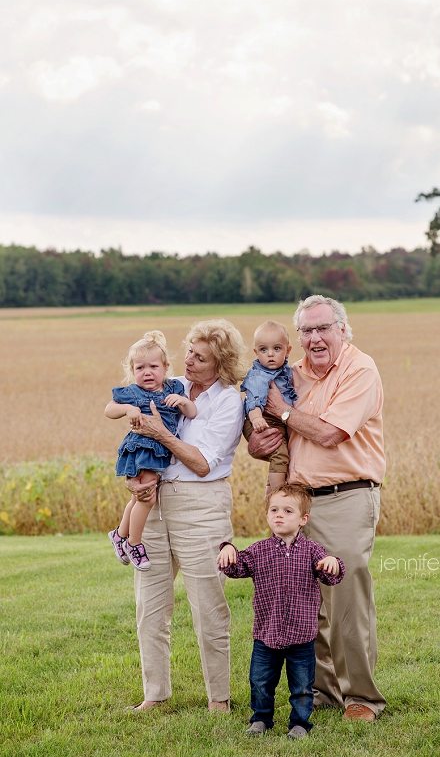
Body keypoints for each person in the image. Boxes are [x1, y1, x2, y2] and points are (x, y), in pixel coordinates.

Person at [247, 295, 386, 722]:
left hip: (347, 495)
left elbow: (328, 434)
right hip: (298, 500)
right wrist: (258, 442)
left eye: (323, 328)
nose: (315, 338)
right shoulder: (291, 375)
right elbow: (265, 440)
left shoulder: (359, 369)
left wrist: (284, 412)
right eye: (306, 331)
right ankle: (323, 691)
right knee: (308, 601)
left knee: (346, 598)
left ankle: (362, 698)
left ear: (342, 329)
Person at [122, 319, 246, 712]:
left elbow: (203, 463)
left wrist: (160, 432)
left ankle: (219, 699)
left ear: (220, 364)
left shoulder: (229, 401)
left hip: (201, 505)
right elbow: (134, 433)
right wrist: (134, 480)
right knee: (150, 605)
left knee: (208, 605)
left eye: (200, 357)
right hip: (154, 501)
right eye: (189, 351)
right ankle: (155, 695)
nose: (188, 361)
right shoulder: (169, 383)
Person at [217, 484, 344, 739]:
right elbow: (236, 568)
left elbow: (329, 576)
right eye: (274, 510)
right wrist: (227, 548)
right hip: (267, 633)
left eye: (288, 511)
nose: (279, 515)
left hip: (302, 634)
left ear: (302, 519)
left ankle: (299, 724)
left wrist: (334, 564)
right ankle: (261, 719)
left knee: (302, 686)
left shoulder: (312, 551)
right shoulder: (258, 550)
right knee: (261, 682)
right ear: (267, 516)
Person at [105, 330, 197, 571]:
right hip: (142, 448)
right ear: (132, 370)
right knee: (147, 497)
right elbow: (108, 409)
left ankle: (119, 534)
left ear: (165, 367)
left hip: (161, 449)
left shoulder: (173, 389)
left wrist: (184, 402)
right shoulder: (133, 393)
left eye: (153, 366)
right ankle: (134, 543)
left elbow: (192, 413)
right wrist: (127, 409)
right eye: (140, 368)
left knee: (140, 496)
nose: (147, 372)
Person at [240, 321, 297, 495]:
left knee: (279, 456)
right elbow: (253, 400)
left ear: (288, 351)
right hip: (261, 420)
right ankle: (279, 494)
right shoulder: (259, 375)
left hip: (275, 420)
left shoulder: (286, 370)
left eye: (277, 349)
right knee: (279, 454)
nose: (270, 355)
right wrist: (257, 418)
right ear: (256, 353)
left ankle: (270, 492)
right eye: (264, 350)